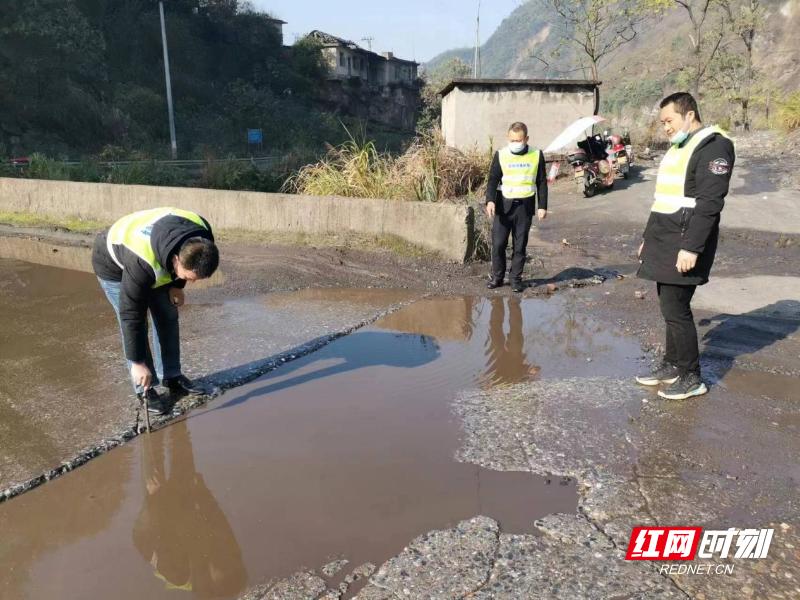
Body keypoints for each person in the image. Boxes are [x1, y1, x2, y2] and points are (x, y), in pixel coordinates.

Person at [636, 92, 735, 400]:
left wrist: (691, 247)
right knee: (668, 305)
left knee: (677, 307)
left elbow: (709, 203)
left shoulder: (715, 146)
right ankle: (671, 365)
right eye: (662, 122)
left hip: (686, 238)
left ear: (689, 114)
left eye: (669, 120)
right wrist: (647, 239)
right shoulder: (680, 146)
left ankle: (692, 376)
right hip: (664, 236)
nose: (665, 127)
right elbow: (664, 199)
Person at [92, 207, 219, 414]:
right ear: (176, 260)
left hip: (160, 255)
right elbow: (130, 316)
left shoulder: (202, 234)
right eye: (189, 278)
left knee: (168, 313)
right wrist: (138, 362)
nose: (193, 283)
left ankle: (171, 376)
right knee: (139, 323)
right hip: (113, 263)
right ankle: (145, 389)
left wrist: (179, 285)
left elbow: (191, 263)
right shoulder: (142, 262)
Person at [485, 122, 548, 293]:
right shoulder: (501, 154)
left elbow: (541, 182)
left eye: (519, 140)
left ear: (526, 139)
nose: (515, 143)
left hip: (525, 207)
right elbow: (492, 180)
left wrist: (542, 206)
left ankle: (515, 279)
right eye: (512, 140)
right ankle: (497, 277)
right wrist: (490, 200)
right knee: (498, 244)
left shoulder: (536, 155)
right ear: (508, 138)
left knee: (519, 246)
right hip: (503, 206)